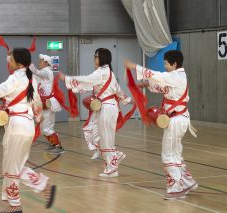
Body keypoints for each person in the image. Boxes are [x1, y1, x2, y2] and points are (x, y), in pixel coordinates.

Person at [0, 48, 56, 212]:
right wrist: (37, 118)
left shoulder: (15, 79)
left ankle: (38, 188)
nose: (8, 62)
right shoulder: (30, 78)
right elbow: (38, 104)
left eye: (10, 60)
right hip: (25, 125)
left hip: (17, 126)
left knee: (13, 168)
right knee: (12, 166)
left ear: (18, 64)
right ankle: (15, 204)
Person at [125, 50, 198, 200]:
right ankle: (186, 182)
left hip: (176, 120)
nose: (164, 66)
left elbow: (158, 76)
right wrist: (145, 84)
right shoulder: (176, 77)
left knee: (168, 154)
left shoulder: (176, 76)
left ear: (174, 63)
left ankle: (175, 188)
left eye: (165, 63)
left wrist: (135, 67)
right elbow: (162, 85)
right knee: (175, 153)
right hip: (179, 119)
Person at [59, 48, 132, 177]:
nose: (94, 58)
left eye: (96, 56)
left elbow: (86, 80)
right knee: (98, 136)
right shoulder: (107, 72)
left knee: (106, 137)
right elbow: (118, 90)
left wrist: (67, 78)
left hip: (107, 107)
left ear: (102, 58)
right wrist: (127, 99)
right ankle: (114, 157)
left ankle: (112, 166)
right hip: (104, 107)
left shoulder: (102, 72)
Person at [29, 54, 65, 154]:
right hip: (43, 103)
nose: (39, 62)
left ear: (47, 63)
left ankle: (59, 146)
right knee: (45, 128)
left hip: (48, 103)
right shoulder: (41, 73)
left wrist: (28, 63)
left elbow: (35, 71)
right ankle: (53, 144)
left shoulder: (47, 72)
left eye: (41, 61)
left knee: (46, 128)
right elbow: (34, 75)